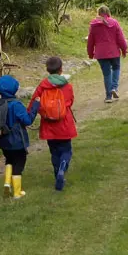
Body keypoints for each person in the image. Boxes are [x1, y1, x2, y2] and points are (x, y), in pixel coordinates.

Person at [29, 57, 78, 191]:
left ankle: (57, 173)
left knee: (54, 151)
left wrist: (29, 116)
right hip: (64, 124)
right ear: (61, 69)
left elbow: (34, 102)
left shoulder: (42, 86)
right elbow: (70, 102)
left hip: (48, 125)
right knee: (66, 150)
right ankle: (63, 167)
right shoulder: (67, 86)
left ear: (47, 70)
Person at [0, 75, 40, 199]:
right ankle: (17, 192)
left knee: (9, 160)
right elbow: (27, 120)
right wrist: (35, 106)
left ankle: (7, 182)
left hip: (3, 140)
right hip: (18, 141)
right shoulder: (16, 105)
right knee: (19, 163)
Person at [87, 5, 128, 104]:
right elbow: (120, 38)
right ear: (108, 12)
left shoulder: (93, 25)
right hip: (114, 51)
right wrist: (124, 49)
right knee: (116, 68)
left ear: (98, 13)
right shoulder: (114, 22)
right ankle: (114, 87)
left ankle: (108, 96)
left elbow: (90, 41)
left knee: (106, 74)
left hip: (101, 53)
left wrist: (90, 53)